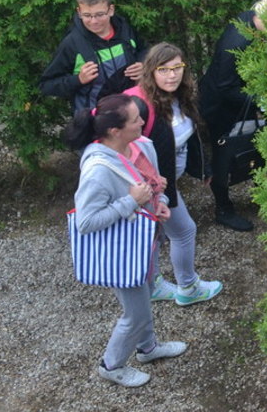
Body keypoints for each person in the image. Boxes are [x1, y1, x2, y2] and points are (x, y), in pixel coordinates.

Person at [65, 94, 188, 388]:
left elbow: (154, 186)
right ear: (114, 131)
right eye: (135, 119)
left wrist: (161, 202)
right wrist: (130, 202)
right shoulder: (97, 171)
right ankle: (111, 365)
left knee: (146, 296)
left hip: (144, 242)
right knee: (135, 315)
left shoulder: (141, 146)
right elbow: (85, 222)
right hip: (122, 252)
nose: (143, 121)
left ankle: (147, 348)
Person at [125, 43, 222, 306]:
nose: (172, 75)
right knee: (184, 231)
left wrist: (202, 168)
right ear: (151, 71)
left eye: (177, 67)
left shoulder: (181, 96)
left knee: (154, 233)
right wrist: (158, 196)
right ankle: (188, 288)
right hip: (148, 187)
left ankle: (153, 285)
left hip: (165, 182)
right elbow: (119, 145)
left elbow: (189, 136)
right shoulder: (137, 103)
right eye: (164, 69)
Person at [199, 0, 267, 232]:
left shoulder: (251, 19)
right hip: (220, 107)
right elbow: (225, 87)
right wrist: (263, 101)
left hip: (241, 100)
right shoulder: (236, 43)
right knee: (224, 155)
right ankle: (223, 209)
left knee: (257, 146)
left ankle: (263, 192)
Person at [39, 0, 146, 114]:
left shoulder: (124, 29)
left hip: (132, 113)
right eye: (87, 15)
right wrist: (78, 79)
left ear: (111, 10)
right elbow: (46, 85)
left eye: (99, 14)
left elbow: (144, 50)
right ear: (79, 12)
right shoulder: (72, 43)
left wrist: (143, 65)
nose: (94, 21)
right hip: (94, 119)